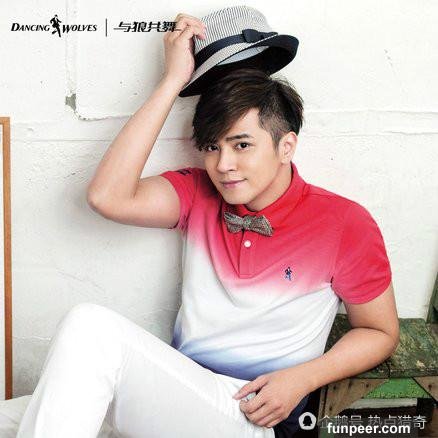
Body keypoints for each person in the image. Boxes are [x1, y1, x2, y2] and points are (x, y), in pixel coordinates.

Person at [16, 12, 400, 438]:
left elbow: (380, 331)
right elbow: (107, 196)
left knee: (90, 328)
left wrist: (303, 378)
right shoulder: (198, 193)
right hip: (183, 395)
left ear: (286, 146)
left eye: (242, 145)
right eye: (212, 147)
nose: (224, 165)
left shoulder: (344, 222)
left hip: (254, 415)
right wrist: (171, 82)